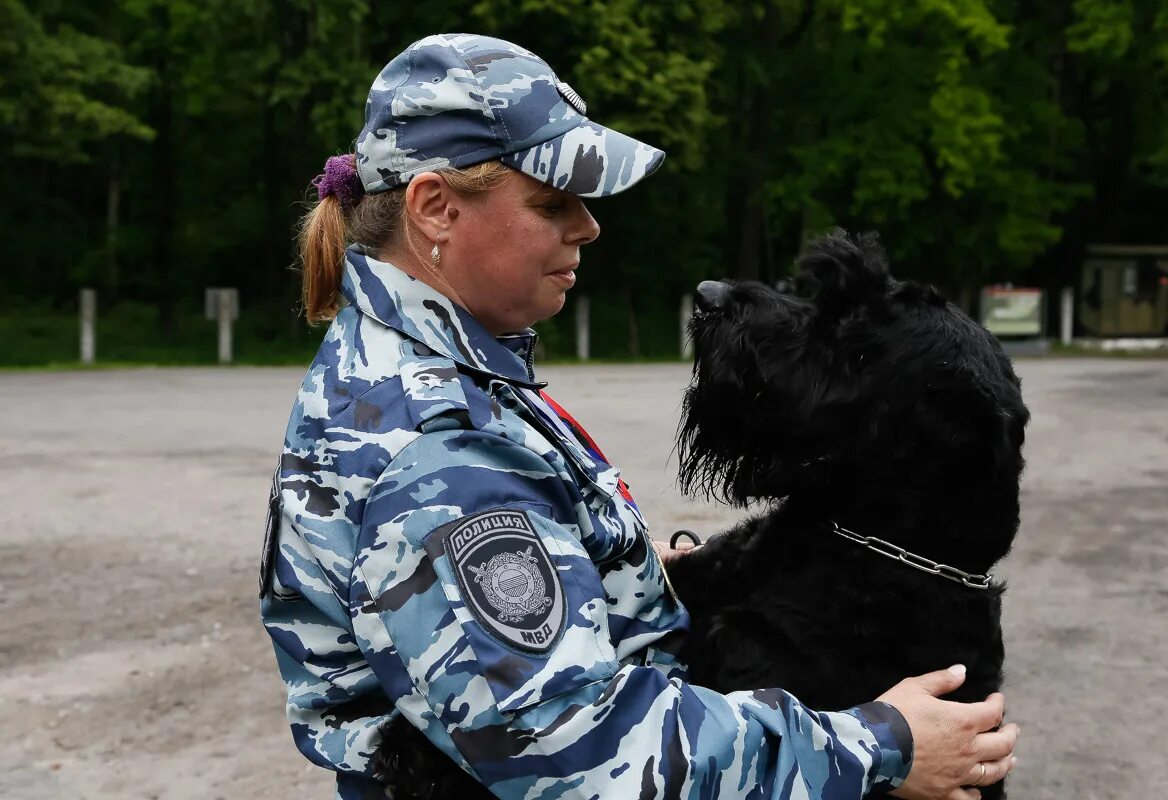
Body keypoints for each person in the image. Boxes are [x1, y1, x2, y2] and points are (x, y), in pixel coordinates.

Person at [259, 33, 1018, 800]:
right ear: (436, 208)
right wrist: (880, 745)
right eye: (552, 203)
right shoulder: (438, 452)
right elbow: (575, 753)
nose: (587, 226)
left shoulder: (426, 370)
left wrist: (598, 563)